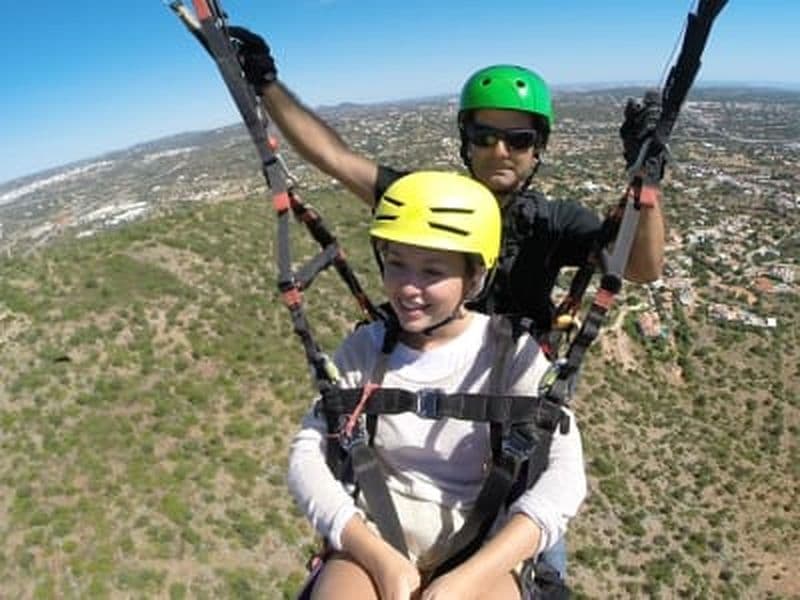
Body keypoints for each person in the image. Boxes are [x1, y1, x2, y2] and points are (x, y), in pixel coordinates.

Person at [229, 27, 661, 577]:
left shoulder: (555, 222)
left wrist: (648, 182)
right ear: (466, 140)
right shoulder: (428, 207)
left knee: (535, 554)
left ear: (538, 146)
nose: (500, 151)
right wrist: (267, 87)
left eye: (519, 139)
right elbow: (335, 158)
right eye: (484, 136)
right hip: (424, 389)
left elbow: (640, 266)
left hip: (512, 396)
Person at [287, 171, 586, 599]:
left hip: (482, 551)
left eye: (432, 271)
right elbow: (307, 457)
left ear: (474, 277)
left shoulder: (512, 357)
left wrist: (469, 578)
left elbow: (564, 476)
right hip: (374, 541)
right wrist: (376, 556)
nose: (408, 287)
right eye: (396, 263)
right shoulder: (364, 351)